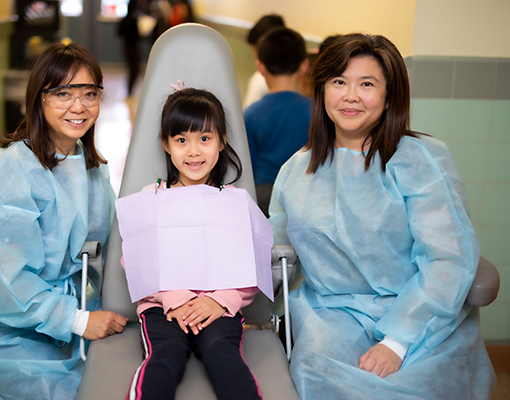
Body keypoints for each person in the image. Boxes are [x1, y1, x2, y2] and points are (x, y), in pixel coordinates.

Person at [269, 33, 496, 399]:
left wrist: (396, 342)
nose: (351, 95)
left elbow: (448, 259)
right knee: (316, 373)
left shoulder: (420, 161)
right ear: (321, 90)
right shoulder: (297, 170)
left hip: (420, 320)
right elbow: (274, 250)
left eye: (367, 84)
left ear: (390, 96)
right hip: (332, 315)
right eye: (339, 82)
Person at [0, 42, 128, 400]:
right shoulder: (12, 173)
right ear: (39, 99)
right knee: (78, 391)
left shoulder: (89, 164)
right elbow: (9, 284)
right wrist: (78, 321)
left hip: (60, 311)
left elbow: (107, 244)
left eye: (90, 94)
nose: (78, 106)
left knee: (124, 373)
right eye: (63, 93)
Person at [125, 86, 263, 400]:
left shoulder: (235, 203)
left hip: (218, 308)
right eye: (181, 140)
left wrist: (221, 300)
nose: (194, 151)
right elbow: (135, 260)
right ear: (166, 143)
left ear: (222, 141)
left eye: (205, 139)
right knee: (167, 354)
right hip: (164, 308)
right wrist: (175, 298)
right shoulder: (153, 197)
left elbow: (251, 262)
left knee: (221, 352)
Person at [244, 27, 311, 217]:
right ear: (304, 66)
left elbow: (248, 165)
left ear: (260, 68)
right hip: (304, 195)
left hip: (263, 196)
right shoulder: (316, 111)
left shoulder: (252, 112)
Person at [242, 14, 285, 110]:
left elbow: (246, 120)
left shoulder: (260, 79)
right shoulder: (298, 74)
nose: (255, 55)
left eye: (257, 50)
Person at [118, 0, 141, 97]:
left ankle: (129, 89)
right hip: (133, 47)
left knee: (131, 69)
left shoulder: (124, 19)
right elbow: (137, 36)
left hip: (126, 47)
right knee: (135, 70)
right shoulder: (134, 20)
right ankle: (130, 90)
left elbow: (119, 33)